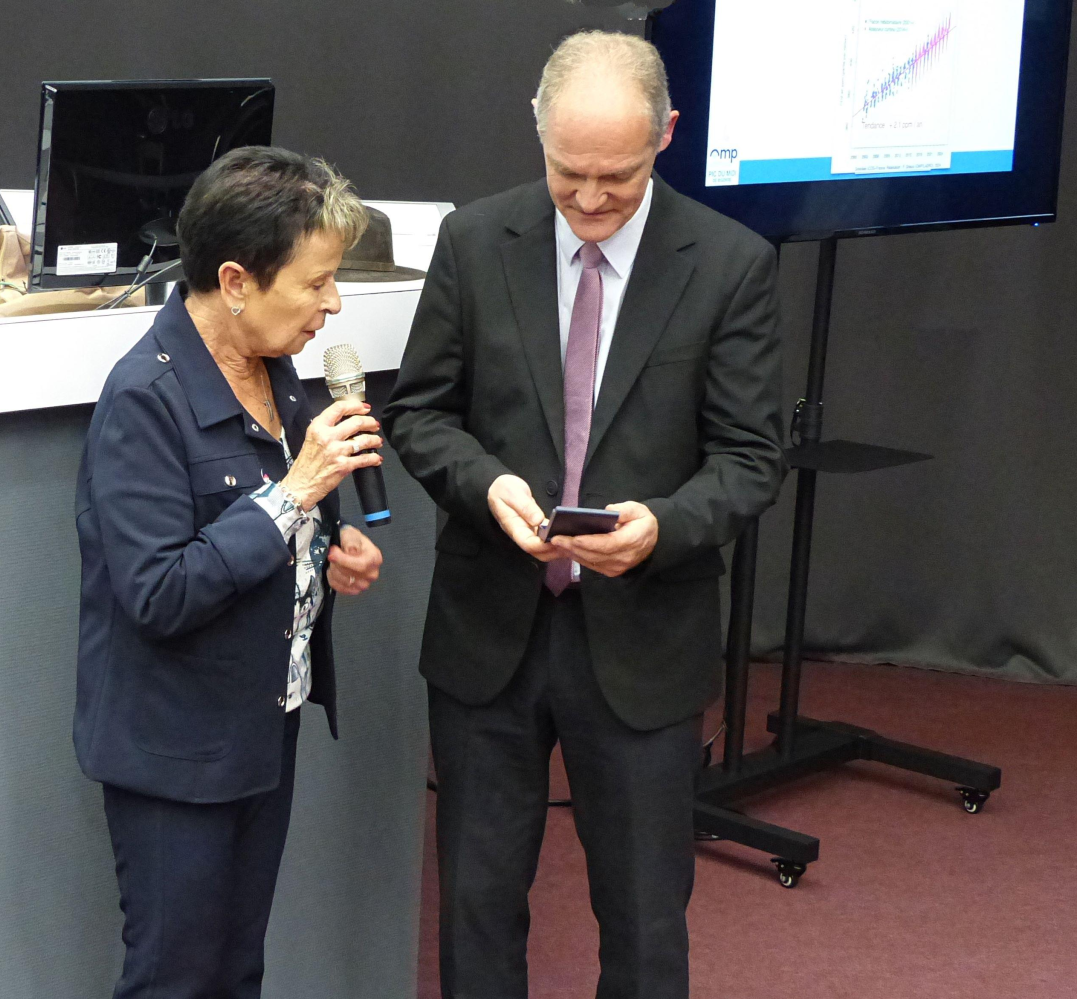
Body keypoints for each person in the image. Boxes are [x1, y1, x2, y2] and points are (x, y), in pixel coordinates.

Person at [384, 31, 785, 999]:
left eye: (617, 174)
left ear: (667, 136)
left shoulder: (728, 264)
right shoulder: (474, 243)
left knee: (645, 923)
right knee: (475, 910)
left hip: (644, 640)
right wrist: (485, 485)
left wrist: (664, 527)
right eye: (569, 174)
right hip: (489, 634)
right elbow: (419, 413)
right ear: (536, 133)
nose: (593, 199)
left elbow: (748, 459)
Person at [73, 146, 386, 999]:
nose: (332, 303)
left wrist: (326, 546)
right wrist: (295, 498)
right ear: (237, 279)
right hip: (175, 750)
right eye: (316, 282)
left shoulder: (276, 374)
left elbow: (267, 523)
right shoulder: (145, 396)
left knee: (236, 970)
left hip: (260, 729)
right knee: (175, 978)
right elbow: (160, 593)